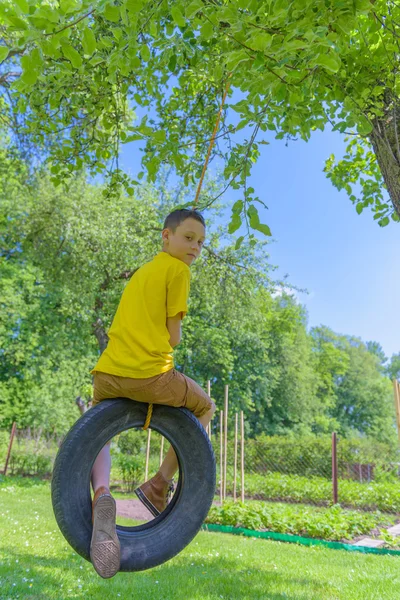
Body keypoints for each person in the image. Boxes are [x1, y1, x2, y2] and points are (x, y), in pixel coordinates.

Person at [89, 208, 216, 578]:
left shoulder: (144, 271)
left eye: (200, 243)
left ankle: (102, 493)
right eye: (188, 238)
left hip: (108, 373)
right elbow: (173, 335)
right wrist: (170, 335)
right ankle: (159, 484)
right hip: (150, 375)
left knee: (98, 433)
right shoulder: (179, 271)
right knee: (205, 407)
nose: (194, 248)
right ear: (167, 236)